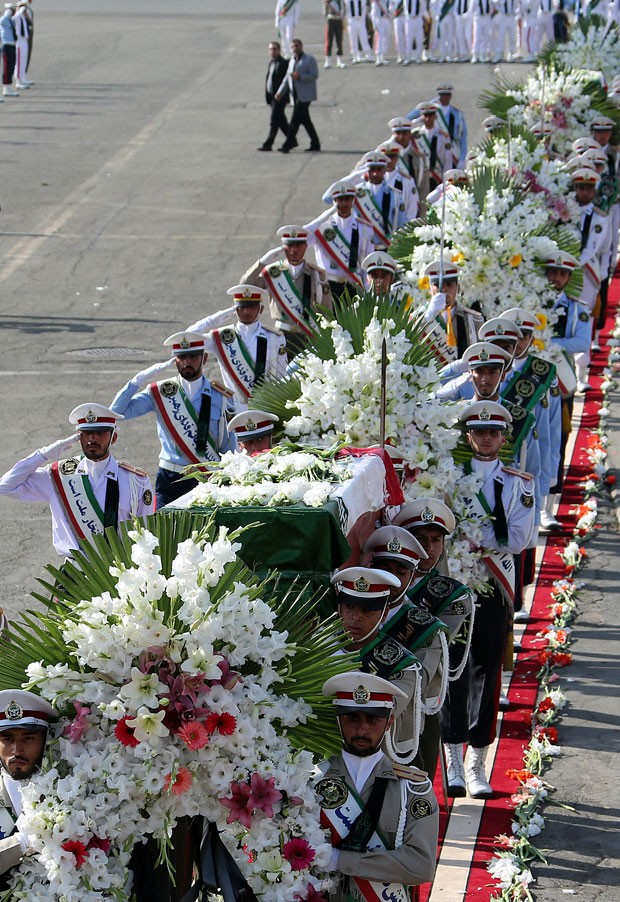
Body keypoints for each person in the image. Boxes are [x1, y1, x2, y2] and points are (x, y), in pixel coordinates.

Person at [441, 401, 535, 798]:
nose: (485, 438)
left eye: (493, 433)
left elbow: (520, 539)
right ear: (468, 436)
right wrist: (479, 541)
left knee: (487, 669)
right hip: (456, 587)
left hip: (495, 587)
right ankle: (453, 758)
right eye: (478, 432)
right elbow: (439, 531)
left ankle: (478, 762)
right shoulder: (448, 478)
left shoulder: (519, 484)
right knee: (452, 669)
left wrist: (471, 539)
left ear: (503, 437)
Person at [317, 671, 439, 898]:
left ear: (389, 721)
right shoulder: (312, 781)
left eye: (373, 719)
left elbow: (421, 865)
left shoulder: (412, 788)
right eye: (352, 718)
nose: (362, 729)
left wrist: (340, 860)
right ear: (338, 719)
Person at [0, 404, 154, 560]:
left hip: (119, 574)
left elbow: (147, 531)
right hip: (74, 576)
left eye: (100, 433)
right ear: (78, 437)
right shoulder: (57, 475)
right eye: (86, 433)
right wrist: (44, 454)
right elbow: (5, 486)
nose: (92, 438)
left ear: (113, 437)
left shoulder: (135, 481)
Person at [110, 332, 237, 507]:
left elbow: (228, 442)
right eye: (181, 357)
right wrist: (139, 379)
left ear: (204, 358)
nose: (187, 362)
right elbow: (116, 412)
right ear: (175, 360)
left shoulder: (221, 396)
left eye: (193, 356)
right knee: (162, 530)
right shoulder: (162, 392)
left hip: (208, 476)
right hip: (171, 477)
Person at [188, 285, 288, 409]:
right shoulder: (220, 337)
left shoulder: (274, 338)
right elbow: (188, 337)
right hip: (233, 406)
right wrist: (223, 315)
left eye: (251, 307)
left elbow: (280, 375)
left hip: (264, 406)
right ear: (235, 309)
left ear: (260, 309)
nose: (246, 312)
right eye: (242, 307)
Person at [240, 224, 331, 356]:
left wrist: (325, 337)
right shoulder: (273, 272)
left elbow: (326, 309)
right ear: (284, 247)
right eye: (289, 245)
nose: (294, 250)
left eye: (298, 245)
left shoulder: (317, 274)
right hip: (281, 335)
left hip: (309, 334)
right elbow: (245, 285)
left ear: (305, 246)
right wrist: (261, 263)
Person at [0, 689, 56, 883]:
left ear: (44, 740)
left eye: (28, 738)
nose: (17, 750)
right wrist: (22, 843)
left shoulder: (68, 788)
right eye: (7, 739)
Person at [304, 179, 373, 302]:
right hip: (328, 285)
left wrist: (368, 288)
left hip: (353, 284)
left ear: (353, 200)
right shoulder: (322, 227)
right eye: (340, 200)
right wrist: (324, 216)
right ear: (334, 201)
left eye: (347, 199)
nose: (344, 203)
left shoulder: (364, 228)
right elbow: (302, 236)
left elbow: (367, 261)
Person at [275, 38, 320, 153]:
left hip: (305, 95)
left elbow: (314, 75)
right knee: (306, 121)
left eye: (297, 46)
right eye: (293, 47)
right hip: (295, 95)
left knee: (294, 120)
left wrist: (300, 76)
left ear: (301, 46)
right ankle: (315, 143)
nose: (295, 48)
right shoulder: (292, 60)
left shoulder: (309, 59)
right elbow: (287, 78)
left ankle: (288, 144)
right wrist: (280, 92)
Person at [258, 41, 290, 152]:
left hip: (279, 97)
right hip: (272, 96)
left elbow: (287, 82)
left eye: (274, 49)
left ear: (279, 50)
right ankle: (292, 139)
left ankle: (268, 143)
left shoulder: (283, 63)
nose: (272, 51)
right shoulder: (271, 63)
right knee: (281, 121)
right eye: (270, 49)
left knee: (274, 121)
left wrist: (282, 94)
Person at [433, 83, 467, 168]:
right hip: (436, 152)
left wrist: (462, 159)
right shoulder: (432, 112)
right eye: (442, 95)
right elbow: (410, 117)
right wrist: (431, 102)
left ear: (450, 96)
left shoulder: (457, 114)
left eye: (447, 95)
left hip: (453, 151)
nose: (445, 97)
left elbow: (463, 138)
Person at [0, 3, 18, 97]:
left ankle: (9, 86)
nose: (13, 12)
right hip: (6, 45)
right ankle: (6, 88)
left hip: (12, 45)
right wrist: (6, 12)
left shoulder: (11, 20)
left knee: (11, 66)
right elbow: (1, 21)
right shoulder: (4, 20)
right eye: (12, 10)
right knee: (7, 67)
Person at [324, 0, 347, 68]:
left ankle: (339, 60)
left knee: (339, 41)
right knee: (329, 41)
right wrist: (327, 14)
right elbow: (326, 5)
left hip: (339, 20)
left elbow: (344, 7)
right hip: (331, 19)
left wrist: (342, 15)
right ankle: (327, 61)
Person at [12, 1, 31, 88]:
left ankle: (23, 78)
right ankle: (18, 82)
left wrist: (25, 12)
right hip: (19, 41)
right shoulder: (17, 17)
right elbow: (15, 17)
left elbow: (30, 20)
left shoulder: (23, 17)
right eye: (22, 8)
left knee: (23, 61)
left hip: (24, 41)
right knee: (19, 62)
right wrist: (19, 10)